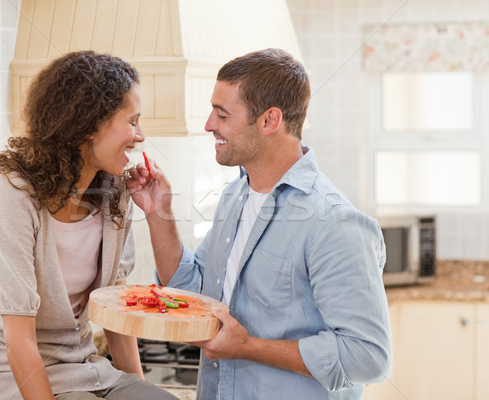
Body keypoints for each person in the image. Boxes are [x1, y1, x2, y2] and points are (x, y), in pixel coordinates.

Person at [127, 48, 392, 399]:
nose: (209, 124)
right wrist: (157, 213)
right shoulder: (235, 196)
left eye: (222, 115)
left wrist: (249, 346)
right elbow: (195, 296)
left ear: (269, 121)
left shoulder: (333, 222)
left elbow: (369, 356)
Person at [0, 50, 177, 400]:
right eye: (133, 121)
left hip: (89, 370)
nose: (140, 135)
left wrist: (140, 389)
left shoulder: (115, 193)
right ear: (91, 124)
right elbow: (18, 341)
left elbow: (116, 309)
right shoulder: (14, 194)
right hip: (15, 378)